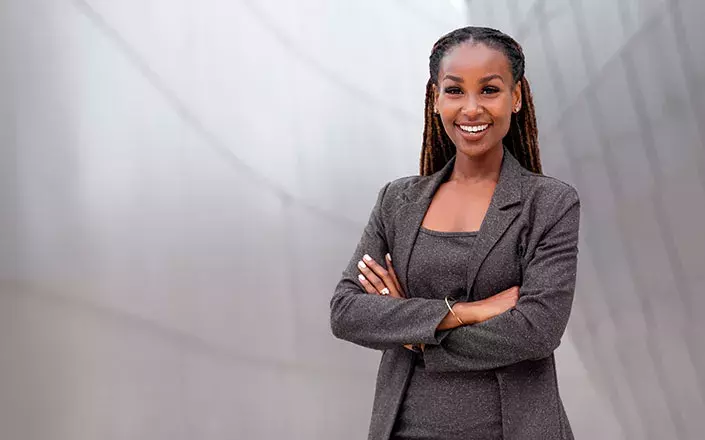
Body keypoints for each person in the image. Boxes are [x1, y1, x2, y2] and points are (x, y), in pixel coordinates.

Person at [330, 26, 580, 440]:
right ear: (435, 99)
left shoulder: (549, 203)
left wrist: (417, 335)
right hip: (402, 429)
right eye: (454, 90)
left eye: (489, 90)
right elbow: (346, 312)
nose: (471, 108)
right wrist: (465, 311)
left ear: (515, 98)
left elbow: (536, 331)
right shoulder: (397, 201)